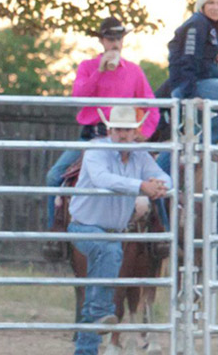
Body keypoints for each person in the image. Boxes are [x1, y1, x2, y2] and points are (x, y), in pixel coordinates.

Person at [42, 17, 160, 257]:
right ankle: (54, 233)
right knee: (54, 175)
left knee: (157, 179)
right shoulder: (87, 66)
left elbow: (153, 108)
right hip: (93, 137)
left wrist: (142, 134)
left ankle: (161, 233)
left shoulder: (134, 72)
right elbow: (79, 97)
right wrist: (99, 71)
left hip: (126, 138)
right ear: (102, 41)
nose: (115, 43)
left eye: (118, 38)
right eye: (110, 39)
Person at [67, 106, 171, 355]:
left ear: (136, 132)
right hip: (84, 227)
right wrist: (142, 186)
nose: (123, 135)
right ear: (110, 130)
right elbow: (103, 179)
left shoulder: (140, 156)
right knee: (111, 251)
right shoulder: (96, 151)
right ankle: (104, 312)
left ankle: (87, 347)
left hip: (113, 231)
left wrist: (159, 184)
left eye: (127, 130)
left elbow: (166, 177)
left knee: (95, 284)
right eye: (118, 129)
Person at [157, 0, 218, 172]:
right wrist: (189, 96)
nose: (215, 7)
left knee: (182, 137)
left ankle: (201, 140)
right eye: (211, 2)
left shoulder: (211, 27)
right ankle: (202, 141)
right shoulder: (197, 24)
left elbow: (206, 64)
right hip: (193, 84)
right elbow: (186, 61)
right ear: (202, 4)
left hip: (204, 80)